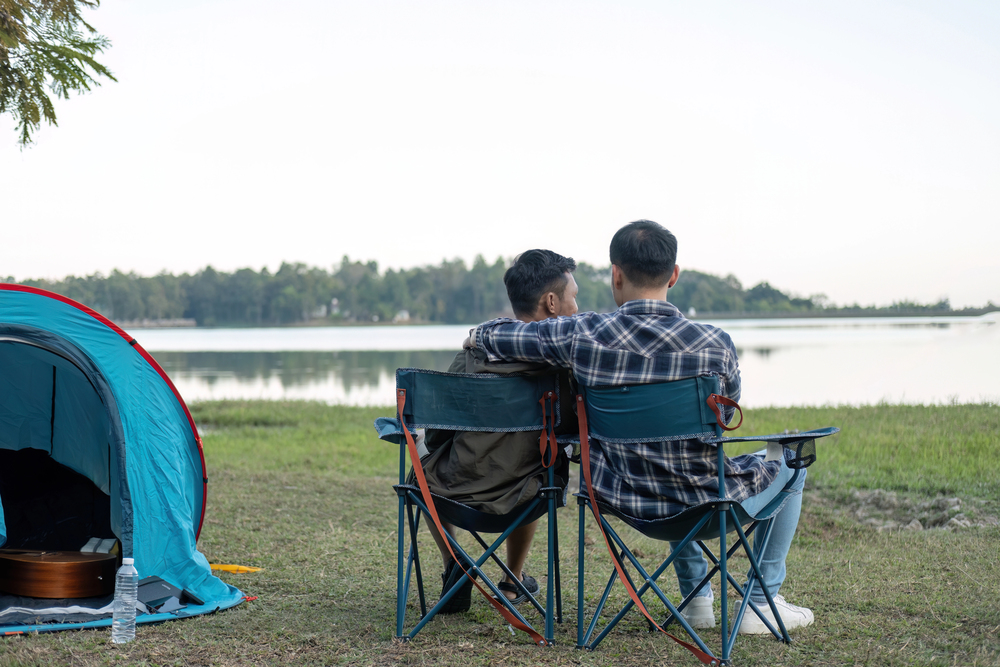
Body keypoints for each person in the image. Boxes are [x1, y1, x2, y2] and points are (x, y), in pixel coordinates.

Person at [464, 220, 814, 634]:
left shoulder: (583, 334)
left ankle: (697, 599)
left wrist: (481, 332)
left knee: (658, 458)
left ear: (616, 274)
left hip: (623, 497)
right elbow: (728, 410)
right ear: (674, 275)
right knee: (792, 461)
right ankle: (759, 601)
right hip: (705, 501)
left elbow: (490, 336)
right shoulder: (714, 343)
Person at [419, 249, 579, 613]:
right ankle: (512, 580)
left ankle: (455, 563)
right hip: (530, 491)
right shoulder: (561, 366)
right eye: (574, 297)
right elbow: (570, 432)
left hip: (457, 489)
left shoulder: (474, 353)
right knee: (541, 466)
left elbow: (437, 434)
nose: (577, 306)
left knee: (421, 475)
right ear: (551, 303)